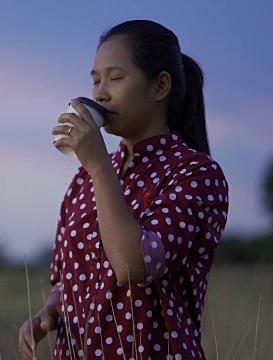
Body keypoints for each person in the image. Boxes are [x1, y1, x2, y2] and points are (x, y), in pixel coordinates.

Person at [18, 19, 229, 359]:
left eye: (115, 78)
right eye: (96, 80)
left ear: (160, 86)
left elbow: (134, 265)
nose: (100, 93)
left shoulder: (195, 173)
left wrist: (100, 165)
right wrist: (49, 313)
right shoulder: (83, 180)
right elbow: (64, 279)